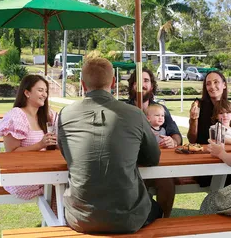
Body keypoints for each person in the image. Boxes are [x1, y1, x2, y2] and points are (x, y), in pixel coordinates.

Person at [58, 58, 162, 234]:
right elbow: (153, 158)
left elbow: (67, 155)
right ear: (113, 82)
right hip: (129, 217)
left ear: (83, 84)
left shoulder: (65, 115)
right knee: (157, 209)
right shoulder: (135, 114)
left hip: (80, 217)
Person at [128, 67, 182, 217]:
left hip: (157, 165)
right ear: (132, 85)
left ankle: (164, 223)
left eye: (146, 81)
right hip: (131, 167)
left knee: (167, 181)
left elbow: (176, 134)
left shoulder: (161, 109)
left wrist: (173, 142)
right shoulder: (124, 109)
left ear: (152, 85)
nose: (142, 85)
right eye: (138, 81)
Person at [0, 74, 57, 200]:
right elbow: (11, 152)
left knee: (68, 182)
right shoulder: (16, 116)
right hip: (23, 177)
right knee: (64, 184)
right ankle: (61, 218)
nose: (45, 94)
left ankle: (60, 219)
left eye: (46, 91)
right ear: (27, 93)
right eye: (40, 90)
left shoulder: (47, 115)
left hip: (44, 171)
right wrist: (40, 145)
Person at [187, 70, 228, 187]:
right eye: (208, 83)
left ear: (224, 85)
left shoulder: (229, 108)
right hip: (204, 160)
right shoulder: (199, 105)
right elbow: (192, 140)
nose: (212, 86)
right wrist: (194, 120)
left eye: (216, 82)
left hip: (225, 158)